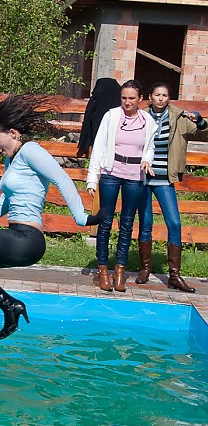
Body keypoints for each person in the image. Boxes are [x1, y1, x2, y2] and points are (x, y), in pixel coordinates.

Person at [0, 94, 105, 339]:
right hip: (15, 235)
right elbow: (7, 200)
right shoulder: (13, 159)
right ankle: (10, 305)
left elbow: (61, 178)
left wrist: (80, 217)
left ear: (13, 133)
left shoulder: (30, 150)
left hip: (27, 240)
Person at [136, 82, 208, 292]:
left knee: (174, 223)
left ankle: (174, 276)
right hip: (143, 179)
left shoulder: (179, 117)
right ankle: (145, 269)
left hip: (165, 180)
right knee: (146, 223)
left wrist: (200, 120)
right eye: (157, 94)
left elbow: (204, 133)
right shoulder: (141, 116)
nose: (160, 98)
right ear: (150, 96)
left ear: (169, 98)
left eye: (164, 95)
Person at [87, 80, 158, 293]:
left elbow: (150, 147)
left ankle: (119, 271)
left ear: (140, 99)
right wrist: (92, 178)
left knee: (127, 224)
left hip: (134, 175)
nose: (127, 102)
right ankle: (102, 270)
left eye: (132, 98)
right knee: (105, 222)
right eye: (124, 98)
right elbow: (99, 147)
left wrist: (147, 160)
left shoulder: (147, 121)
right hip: (111, 173)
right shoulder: (111, 116)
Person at [76, 78, 121, 158]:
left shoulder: (96, 101)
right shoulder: (120, 106)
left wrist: (85, 142)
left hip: (98, 144)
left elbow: (87, 121)